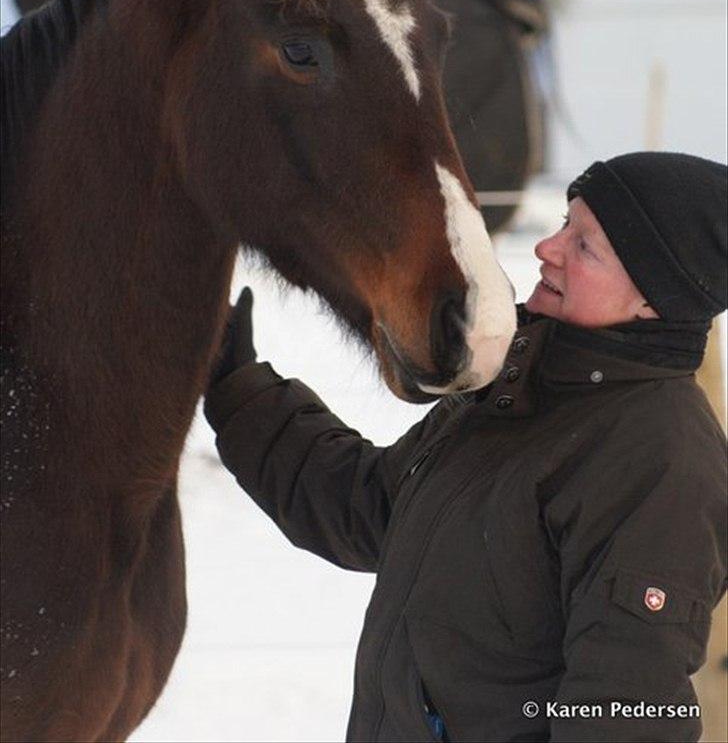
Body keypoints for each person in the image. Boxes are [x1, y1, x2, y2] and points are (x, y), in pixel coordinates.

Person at [204, 152, 728, 743]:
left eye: (585, 247)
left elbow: (624, 716)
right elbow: (373, 509)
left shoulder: (663, 466)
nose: (547, 248)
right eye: (566, 223)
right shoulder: (520, 385)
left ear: (653, 299)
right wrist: (238, 390)